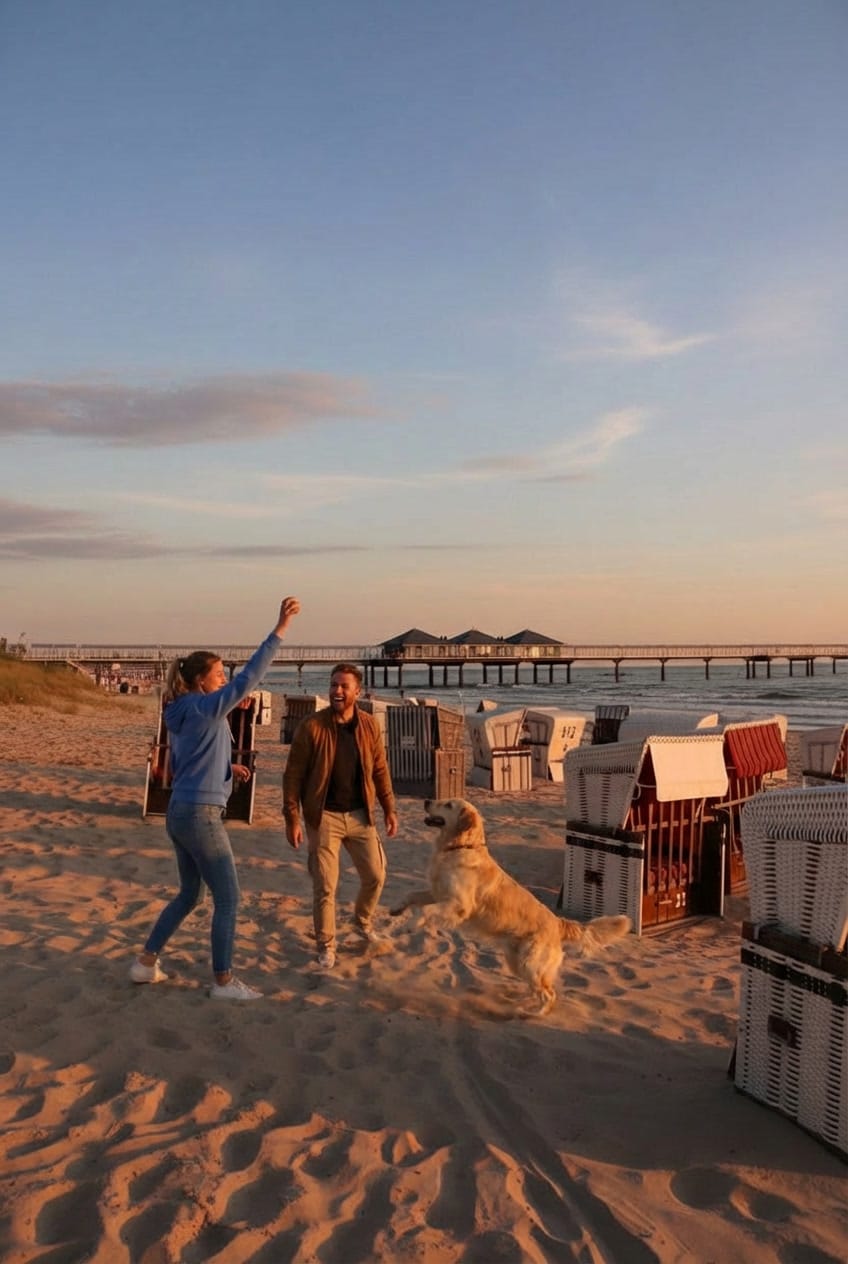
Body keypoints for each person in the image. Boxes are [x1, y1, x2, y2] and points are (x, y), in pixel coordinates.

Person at [130, 595, 301, 1001]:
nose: (225, 678)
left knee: (191, 893)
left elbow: (195, 758)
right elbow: (250, 679)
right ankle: (223, 982)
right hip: (201, 815)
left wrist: (230, 770)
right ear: (201, 681)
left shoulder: (185, 709)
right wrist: (279, 631)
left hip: (181, 810)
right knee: (229, 899)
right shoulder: (206, 708)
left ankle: (145, 964)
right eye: (219, 674)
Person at [283, 662, 398, 970]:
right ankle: (326, 944)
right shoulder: (312, 727)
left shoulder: (370, 726)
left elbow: (380, 768)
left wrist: (388, 808)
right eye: (334, 685)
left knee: (376, 875)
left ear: (357, 692)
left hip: (361, 815)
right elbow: (292, 775)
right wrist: (292, 818)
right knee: (325, 886)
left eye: (344, 686)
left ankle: (362, 922)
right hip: (324, 817)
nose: (337, 690)